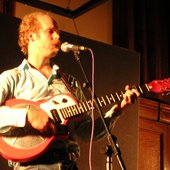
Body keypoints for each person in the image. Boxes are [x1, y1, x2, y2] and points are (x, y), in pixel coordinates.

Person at [0, 12, 140, 170]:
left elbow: (86, 132)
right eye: (50, 31)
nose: (57, 36)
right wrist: (28, 115)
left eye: (58, 32)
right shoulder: (11, 78)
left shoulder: (70, 83)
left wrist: (119, 109)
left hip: (68, 165)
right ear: (32, 36)